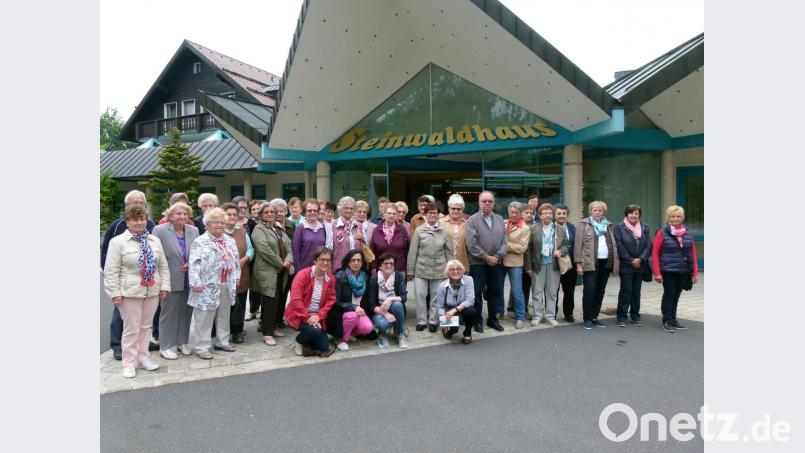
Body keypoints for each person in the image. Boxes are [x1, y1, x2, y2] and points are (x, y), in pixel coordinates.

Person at [103, 204, 170, 378]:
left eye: (142, 219)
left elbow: (162, 266)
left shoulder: (154, 241)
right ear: (127, 222)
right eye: (135, 219)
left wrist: (164, 286)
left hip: (152, 290)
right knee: (131, 329)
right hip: (129, 292)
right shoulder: (118, 242)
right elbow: (111, 270)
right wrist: (114, 293)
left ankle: (143, 357)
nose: (139, 222)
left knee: (146, 327)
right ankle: (129, 363)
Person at [101, 190, 157, 361]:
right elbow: (107, 254)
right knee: (122, 315)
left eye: (141, 202)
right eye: (134, 202)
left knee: (144, 318)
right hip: (126, 280)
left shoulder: (150, 225)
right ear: (126, 205)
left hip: (147, 281)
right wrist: (114, 282)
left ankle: (143, 344)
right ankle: (117, 345)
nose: (138, 205)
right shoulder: (118, 225)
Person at [187, 207, 241, 359]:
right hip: (205, 285)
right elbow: (193, 264)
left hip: (226, 283)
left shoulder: (229, 240)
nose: (219, 225)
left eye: (222, 222)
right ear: (207, 224)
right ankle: (202, 347)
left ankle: (222, 342)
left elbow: (236, 261)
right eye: (216, 222)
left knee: (224, 315)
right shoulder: (200, 241)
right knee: (204, 317)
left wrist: (237, 277)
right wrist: (195, 282)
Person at [152, 202, 199, 359]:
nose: (182, 216)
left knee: (186, 313)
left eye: (185, 214)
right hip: (169, 279)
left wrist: (191, 263)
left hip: (189, 279)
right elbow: (155, 255)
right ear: (170, 216)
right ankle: (165, 346)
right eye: (179, 213)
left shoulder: (194, 230)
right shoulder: (160, 230)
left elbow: (198, 252)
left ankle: (182, 342)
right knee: (168, 314)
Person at [251, 202, 293, 346]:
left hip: (281, 271)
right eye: (266, 212)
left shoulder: (277, 228)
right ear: (261, 214)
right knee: (270, 301)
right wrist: (281, 263)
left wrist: (288, 260)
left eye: (272, 212)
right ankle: (267, 333)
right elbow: (264, 250)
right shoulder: (258, 229)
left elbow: (289, 246)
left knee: (278, 301)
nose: (270, 214)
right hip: (268, 271)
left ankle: (272, 328)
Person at [651, 205, 699, 333]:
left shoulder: (687, 233)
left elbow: (692, 254)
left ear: (682, 218)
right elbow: (655, 253)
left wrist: (694, 273)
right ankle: (667, 320)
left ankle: (673, 319)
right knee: (669, 294)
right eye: (672, 216)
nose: (675, 219)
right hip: (668, 270)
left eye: (678, 216)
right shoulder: (661, 233)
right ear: (668, 217)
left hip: (683, 270)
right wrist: (657, 273)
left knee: (676, 295)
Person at [407, 202, 453, 332]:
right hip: (421, 269)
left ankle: (433, 321)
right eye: (429, 213)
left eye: (434, 213)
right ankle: (421, 321)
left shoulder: (444, 231)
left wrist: (451, 269)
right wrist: (410, 271)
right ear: (425, 215)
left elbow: (449, 252)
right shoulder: (419, 230)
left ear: (438, 215)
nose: (432, 215)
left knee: (436, 296)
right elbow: (413, 251)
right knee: (420, 295)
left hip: (439, 269)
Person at [465, 191, 508, 332]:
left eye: (490, 201)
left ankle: (492, 320)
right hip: (478, 264)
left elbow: (504, 242)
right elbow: (471, 244)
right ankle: (477, 321)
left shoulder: (500, 219)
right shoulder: (472, 220)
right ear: (479, 203)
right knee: (477, 292)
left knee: (495, 292)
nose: (487, 203)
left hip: (496, 263)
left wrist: (497, 256)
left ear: (493, 203)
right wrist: (486, 257)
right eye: (484, 201)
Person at [574, 201, 619, 330]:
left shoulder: (608, 225)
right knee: (590, 290)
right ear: (590, 211)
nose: (597, 212)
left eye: (600, 210)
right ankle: (587, 318)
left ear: (604, 212)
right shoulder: (583, 224)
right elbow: (578, 245)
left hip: (606, 262)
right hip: (590, 263)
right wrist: (578, 264)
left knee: (600, 290)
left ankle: (594, 316)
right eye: (595, 210)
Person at [285, 247, 337, 357]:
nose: (325, 263)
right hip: (299, 315)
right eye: (322, 259)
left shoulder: (331, 278)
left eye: (328, 260)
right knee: (315, 331)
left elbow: (331, 300)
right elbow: (296, 300)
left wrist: (319, 316)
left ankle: (309, 338)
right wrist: (309, 317)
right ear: (315, 260)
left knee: (324, 348)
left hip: (317, 317)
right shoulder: (302, 275)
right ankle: (299, 341)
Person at [524, 203, 568, 327]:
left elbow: (566, 245)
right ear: (540, 215)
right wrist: (528, 267)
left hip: (554, 265)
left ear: (553, 215)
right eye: (545, 213)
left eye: (550, 213)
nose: (548, 215)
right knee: (537, 292)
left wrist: (561, 251)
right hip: (538, 264)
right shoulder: (533, 228)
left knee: (552, 292)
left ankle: (550, 316)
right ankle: (537, 316)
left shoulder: (560, 229)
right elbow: (527, 250)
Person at [329, 250, 376, 351]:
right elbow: (336, 302)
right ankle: (340, 339)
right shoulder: (340, 276)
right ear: (348, 262)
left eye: (359, 260)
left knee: (368, 328)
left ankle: (349, 332)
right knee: (352, 316)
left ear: (362, 262)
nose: (356, 263)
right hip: (340, 313)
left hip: (357, 312)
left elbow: (366, 300)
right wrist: (354, 307)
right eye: (353, 260)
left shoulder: (364, 277)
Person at [613, 204, 652, 327]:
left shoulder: (645, 227)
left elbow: (648, 246)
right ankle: (622, 316)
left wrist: (640, 259)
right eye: (631, 213)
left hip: (640, 264)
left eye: (636, 213)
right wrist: (631, 260)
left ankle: (635, 316)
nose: (634, 215)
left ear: (639, 215)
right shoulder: (619, 227)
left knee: (636, 290)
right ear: (626, 214)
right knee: (626, 290)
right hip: (626, 264)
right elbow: (619, 246)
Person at [221, 202, 254, 343]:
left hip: (242, 272)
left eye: (234, 214)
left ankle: (238, 331)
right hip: (224, 275)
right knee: (225, 305)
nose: (232, 217)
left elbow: (251, 249)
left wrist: (245, 259)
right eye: (229, 214)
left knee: (240, 302)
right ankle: (224, 332)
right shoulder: (219, 232)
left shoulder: (242, 231)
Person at [365, 252, 409, 348]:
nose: (389, 265)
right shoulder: (374, 279)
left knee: (397, 304)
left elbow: (404, 297)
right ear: (380, 266)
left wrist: (390, 299)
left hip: (396, 309)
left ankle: (400, 334)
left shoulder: (398, 276)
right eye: (385, 263)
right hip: (379, 310)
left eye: (391, 263)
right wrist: (385, 314)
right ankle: (383, 332)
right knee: (384, 324)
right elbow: (371, 304)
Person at [435, 260, 479, 344]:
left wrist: (455, 310)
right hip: (449, 311)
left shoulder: (469, 280)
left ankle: (467, 332)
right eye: (452, 269)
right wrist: (444, 320)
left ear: (462, 271)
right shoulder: (442, 286)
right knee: (453, 331)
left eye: (458, 269)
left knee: (472, 311)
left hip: (463, 308)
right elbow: (440, 306)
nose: (455, 271)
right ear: (448, 272)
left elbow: (470, 300)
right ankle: (448, 330)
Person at [502, 201, 530, 328]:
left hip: (515, 263)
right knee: (498, 289)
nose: (513, 214)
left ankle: (520, 317)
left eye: (516, 212)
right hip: (500, 261)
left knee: (517, 291)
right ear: (508, 212)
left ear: (520, 214)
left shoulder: (525, 228)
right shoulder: (503, 223)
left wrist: (505, 245)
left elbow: (522, 248)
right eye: (511, 212)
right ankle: (499, 312)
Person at [369, 202, 409, 274]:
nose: (391, 216)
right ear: (384, 214)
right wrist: (373, 267)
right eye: (389, 213)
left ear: (397, 215)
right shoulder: (377, 230)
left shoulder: (402, 230)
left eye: (394, 213)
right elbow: (372, 251)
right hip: (381, 270)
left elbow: (407, 250)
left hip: (399, 270)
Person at [553, 204, 576, 322]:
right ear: (554, 215)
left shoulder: (572, 228)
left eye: (564, 213)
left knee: (569, 291)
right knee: (553, 291)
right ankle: (552, 314)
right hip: (554, 265)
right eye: (559, 213)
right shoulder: (550, 227)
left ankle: (568, 314)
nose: (561, 216)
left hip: (569, 265)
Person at [327, 196, 362, 273]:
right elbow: (329, 250)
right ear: (340, 209)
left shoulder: (359, 226)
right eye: (346, 208)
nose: (349, 210)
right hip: (339, 269)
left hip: (356, 269)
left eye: (351, 208)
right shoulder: (332, 225)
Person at [292, 199, 327, 270]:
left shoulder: (323, 228)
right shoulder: (300, 228)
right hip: (304, 269)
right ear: (305, 212)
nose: (312, 212)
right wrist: (299, 271)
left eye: (315, 210)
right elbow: (295, 252)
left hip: (321, 269)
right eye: (309, 210)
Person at [440, 194, 470, 272]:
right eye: (453, 208)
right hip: (444, 265)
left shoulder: (468, 224)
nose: (455, 211)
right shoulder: (440, 223)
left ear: (462, 210)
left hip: (463, 264)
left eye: (458, 209)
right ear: (448, 209)